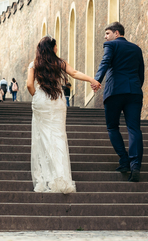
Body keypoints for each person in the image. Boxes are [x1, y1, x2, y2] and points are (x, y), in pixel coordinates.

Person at [27, 35, 101, 193]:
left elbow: (29, 85)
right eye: (55, 46)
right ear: (51, 47)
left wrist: (37, 95)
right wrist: (92, 80)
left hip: (41, 100)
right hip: (56, 99)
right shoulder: (59, 63)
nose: (57, 48)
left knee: (42, 137)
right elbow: (74, 73)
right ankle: (61, 177)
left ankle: (46, 177)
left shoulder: (34, 64)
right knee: (58, 136)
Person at [93, 22, 145, 183]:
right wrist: (135, 87)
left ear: (117, 33)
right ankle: (135, 164)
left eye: (107, 33)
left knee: (112, 127)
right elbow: (140, 72)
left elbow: (105, 62)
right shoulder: (136, 49)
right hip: (134, 92)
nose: (105, 37)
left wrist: (96, 80)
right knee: (134, 128)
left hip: (114, 92)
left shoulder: (111, 45)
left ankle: (124, 160)